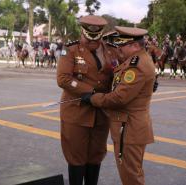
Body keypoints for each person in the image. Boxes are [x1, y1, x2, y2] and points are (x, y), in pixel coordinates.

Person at [81, 26, 156, 185]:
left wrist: (93, 98)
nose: (119, 50)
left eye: (122, 45)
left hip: (129, 129)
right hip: (129, 127)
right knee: (132, 173)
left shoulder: (137, 66)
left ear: (135, 46)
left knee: (131, 177)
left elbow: (118, 98)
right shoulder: (136, 60)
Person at [56, 15, 118, 185]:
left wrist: (142, 82)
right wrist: (90, 92)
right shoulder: (70, 50)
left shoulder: (111, 50)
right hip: (77, 112)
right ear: (82, 32)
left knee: (96, 155)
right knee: (76, 157)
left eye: (96, 37)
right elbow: (63, 78)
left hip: (101, 113)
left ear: (101, 34)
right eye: (89, 37)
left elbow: (121, 73)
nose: (92, 41)